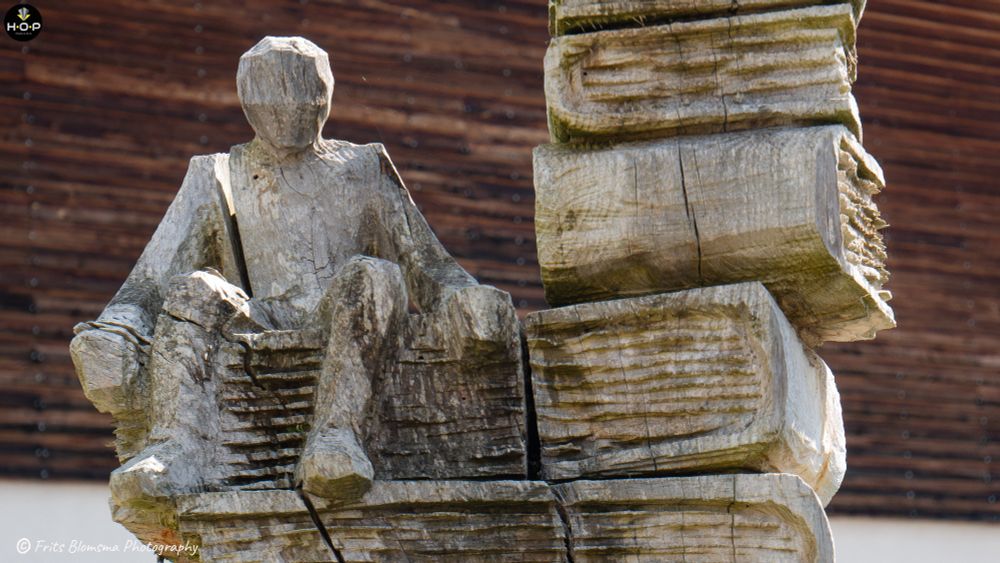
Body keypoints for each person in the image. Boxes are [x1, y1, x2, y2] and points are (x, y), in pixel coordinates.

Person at [70, 36, 512, 507]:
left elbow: (427, 263)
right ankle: (174, 447)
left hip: (346, 313)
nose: (292, 105)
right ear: (247, 101)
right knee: (194, 288)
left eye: (307, 91)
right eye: (274, 93)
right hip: (261, 317)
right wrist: (116, 329)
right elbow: (153, 275)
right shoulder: (218, 171)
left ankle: (336, 437)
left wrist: (468, 298)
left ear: (327, 93)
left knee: (376, 274)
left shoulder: (365, 165)